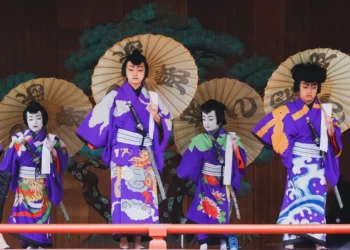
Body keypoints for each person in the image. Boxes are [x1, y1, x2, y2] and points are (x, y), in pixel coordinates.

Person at [76, 49, 172, 249]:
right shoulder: (115, 96)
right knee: (123, 195)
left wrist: (157, 118)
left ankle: (138, 240)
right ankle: (123, 240)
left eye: (139, 69)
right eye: (131, 69)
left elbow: (165, 127)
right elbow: (98, 117)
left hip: (144, 154)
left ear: (145, 72)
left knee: (144, 195)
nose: (135, 73)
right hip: (122, 154)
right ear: (125, 72)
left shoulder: (153, 98)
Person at [252, 63, 342, 250]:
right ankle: (291, 240)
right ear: (298, 86)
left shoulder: (325, 112)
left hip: (317, 166)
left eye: (313, 87)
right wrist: (286, 140)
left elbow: (335, 147)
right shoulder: (287, 110)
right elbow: (269, 130)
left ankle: (318, 241)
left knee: (317, 201)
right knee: (295, 200)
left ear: (318, 87)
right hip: (298, 164)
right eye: (305, 86)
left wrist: (331, 131)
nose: (309, 91)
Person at [177, 99, 246, 250]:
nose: (206, 123)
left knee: (222, 215)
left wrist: (234, 148)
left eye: (210, 119)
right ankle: (204, 244)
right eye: (204, 119)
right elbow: (186, 168)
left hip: (224, 185)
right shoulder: (199, 140)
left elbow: (241, 163)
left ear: (220, 119)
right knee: (204, 214)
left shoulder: (231, 139)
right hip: (206, 185)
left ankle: (223, 244)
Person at [0, 101, 68, 249]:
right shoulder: (18, 139)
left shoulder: (53, 140)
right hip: (24, 187)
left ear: (43, 118)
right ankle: (28, 246)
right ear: (26, 121)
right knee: (25, 222)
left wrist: (53, 152)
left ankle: (41, 245)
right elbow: (7, 165)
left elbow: (62, 160)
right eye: (30, 119)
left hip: (42, 187)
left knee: (42, 220)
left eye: (38, 118)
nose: (34, 122)